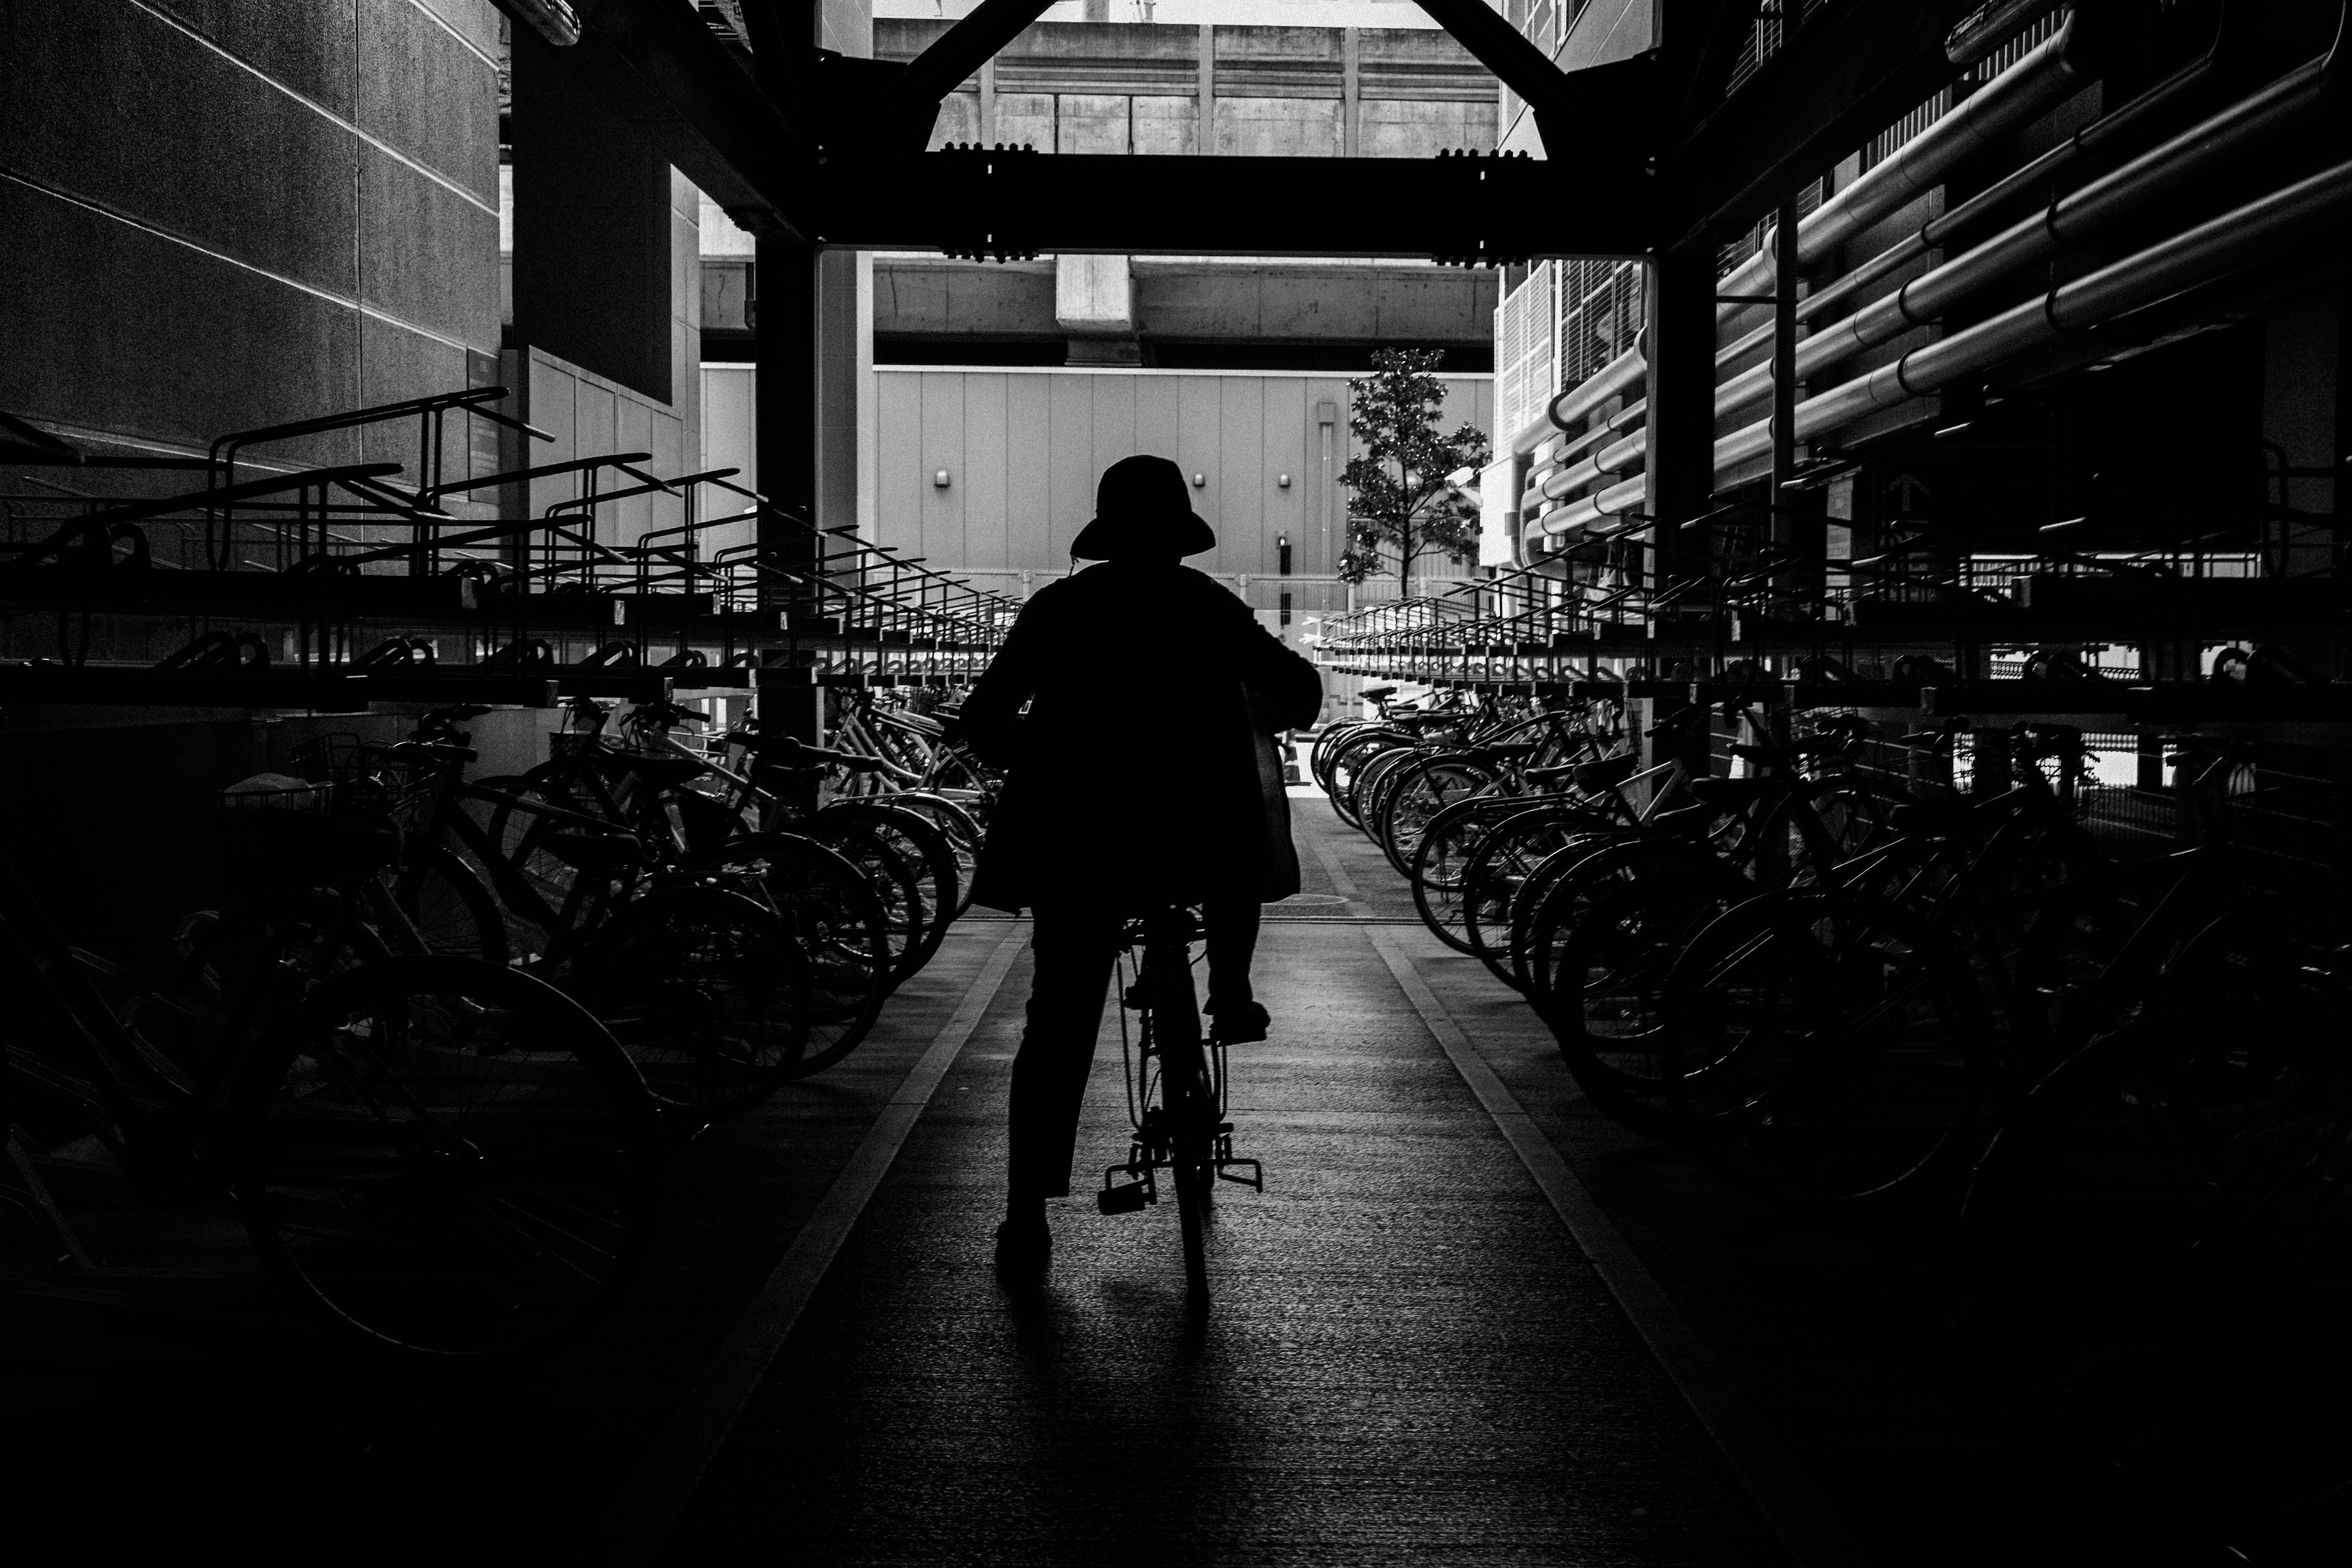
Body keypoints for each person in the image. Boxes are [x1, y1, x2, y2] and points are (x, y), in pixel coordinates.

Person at [954, 453, 1324, 1273]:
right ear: (1178, 536)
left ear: (1107, 533)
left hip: (1079, 847)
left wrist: (1046, 753)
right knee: (1233, 835)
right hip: (1194, 837)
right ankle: (1230, 991)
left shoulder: (1058, 609)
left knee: (1057, 1023)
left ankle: (1026, 1218)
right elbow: (1299, 690)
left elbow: (983, 718)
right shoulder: (1208, 606)